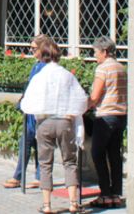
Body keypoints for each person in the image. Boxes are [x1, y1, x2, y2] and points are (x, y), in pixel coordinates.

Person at [20, 38, 88, 214]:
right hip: (64, 120)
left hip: (45, 121)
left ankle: (47, 204)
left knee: (45, 163)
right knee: (70, 161)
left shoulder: (39, 76)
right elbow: (81, 98)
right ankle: (73, 202)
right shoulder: (67, 75)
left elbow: (27, 102)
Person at [87, 37, 127, 209]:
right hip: (121, 116)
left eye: (96, 52)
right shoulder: (121, 67)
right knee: (114, 154)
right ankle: (116, 193)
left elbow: (95, 96)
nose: (95, 55)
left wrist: (85, 106)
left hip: (105, 115)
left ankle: (105, 194)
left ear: (104, 51)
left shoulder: (103, 69)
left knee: (97, 153)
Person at [3, 36, 46, 189]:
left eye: (35, 49)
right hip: (30, 110)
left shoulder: (46, 67)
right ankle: (21, 175)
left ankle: (35, 176)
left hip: (39, 112)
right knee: (27, 142)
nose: (32, 51)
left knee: (38, 143)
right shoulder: (37, 65)